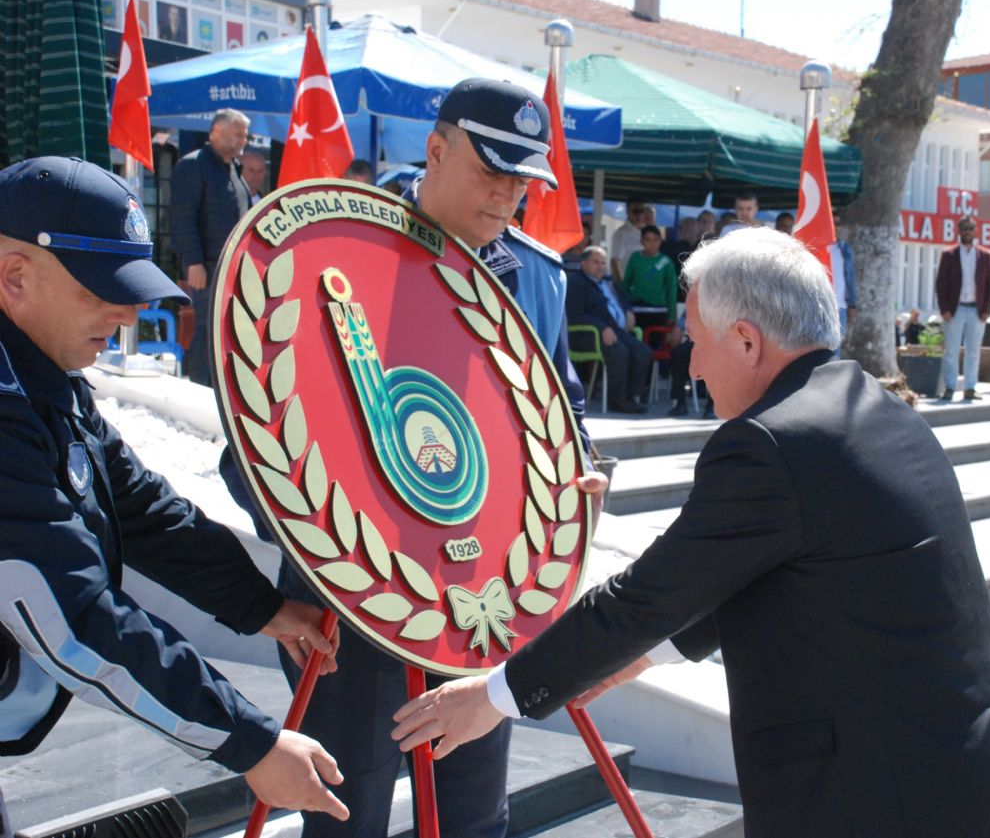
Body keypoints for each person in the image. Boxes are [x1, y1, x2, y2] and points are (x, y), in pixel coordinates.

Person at [391, 227, 990, 837]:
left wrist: (495, 695)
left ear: (746, 340)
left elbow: (644, 595)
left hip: (889, 798)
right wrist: (650, 653)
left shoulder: (771, 443)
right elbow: (787, 567)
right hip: (975, 778)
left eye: (695, 341)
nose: (690, 367)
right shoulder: (873, 407)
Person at [273, 78, 603, 838]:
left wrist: (580, 473)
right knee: (343, 818)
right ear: (435, 149)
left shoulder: (538, 280)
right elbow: (254, 442)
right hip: (354, 602)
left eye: (523, 179)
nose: (508, 195)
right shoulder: (332, 248)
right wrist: (320, 537)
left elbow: (564, 414)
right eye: (492, 171)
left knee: (474, 817)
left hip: (479, 605)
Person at [0, 156, 347, 828]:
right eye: (104, 289)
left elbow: (143, 509)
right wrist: (249, 741)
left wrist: (265, 606)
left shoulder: (41, 378)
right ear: (15, 276)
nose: (129, 313)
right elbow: (72, 617)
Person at [170, 108, 252, 387]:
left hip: (233, 267)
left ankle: (221, 390)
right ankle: (199, 388)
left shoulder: (233, 171)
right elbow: (182, 218)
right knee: (207, 331)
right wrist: (192, 262)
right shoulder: (193, 165)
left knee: (226, 332)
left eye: (245, 133)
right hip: (207, 266)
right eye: (238, 133)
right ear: (216, 131)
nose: (244, 139)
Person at [567, 246, 651, 414]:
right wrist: (601, 326)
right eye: (596, 262)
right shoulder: (576, 283)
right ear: (584, 263)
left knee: (643, 351)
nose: (601, 267)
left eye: (603, 263)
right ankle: (617, 400)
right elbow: (574, 314)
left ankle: (631, 397)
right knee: (620, 352)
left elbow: (624, 299)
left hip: (615, 331)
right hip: (588, 334)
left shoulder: (609, 282)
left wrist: (628, 311)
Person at [935, 216, 990, 401]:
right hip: (955, 310)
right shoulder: (949, 254)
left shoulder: (984, 256)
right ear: (959, 231)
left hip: (976, 310)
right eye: (964, 228)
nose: (967, 231)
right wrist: (944, 308)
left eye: (970, 228)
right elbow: (941, 284)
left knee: (973, 351)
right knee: (951, 350)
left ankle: (970, 387)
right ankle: (950, 387)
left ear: (975, 230)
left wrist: (986, 309)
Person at [622, 224, 678, 332]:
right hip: (636, 310)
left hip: (659, 312)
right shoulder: (635, 257)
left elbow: (672, 289)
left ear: (660, 241)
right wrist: (624, 307)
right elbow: (626, 284)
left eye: (655, 240)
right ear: (641, 241)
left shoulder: (666, 261)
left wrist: (672, 315)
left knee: (654, 347)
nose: (652, 244)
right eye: (648, 240)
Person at [829, 210, 857, 348]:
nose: (835, 226)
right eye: (832, 222)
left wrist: (852, 304)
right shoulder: (816, 246)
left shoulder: (844, 248)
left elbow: (850, 278)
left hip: (841, 307)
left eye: (837, 223)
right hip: (821, 306)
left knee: (836, 348)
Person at [609, 195, 647, 282]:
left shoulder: (647, 232)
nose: (639, 215)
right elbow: (615, 262)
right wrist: (622, 285)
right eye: (635, 211)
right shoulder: (621, 233)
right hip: (628, 284)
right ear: (627, 212)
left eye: (642, 211)